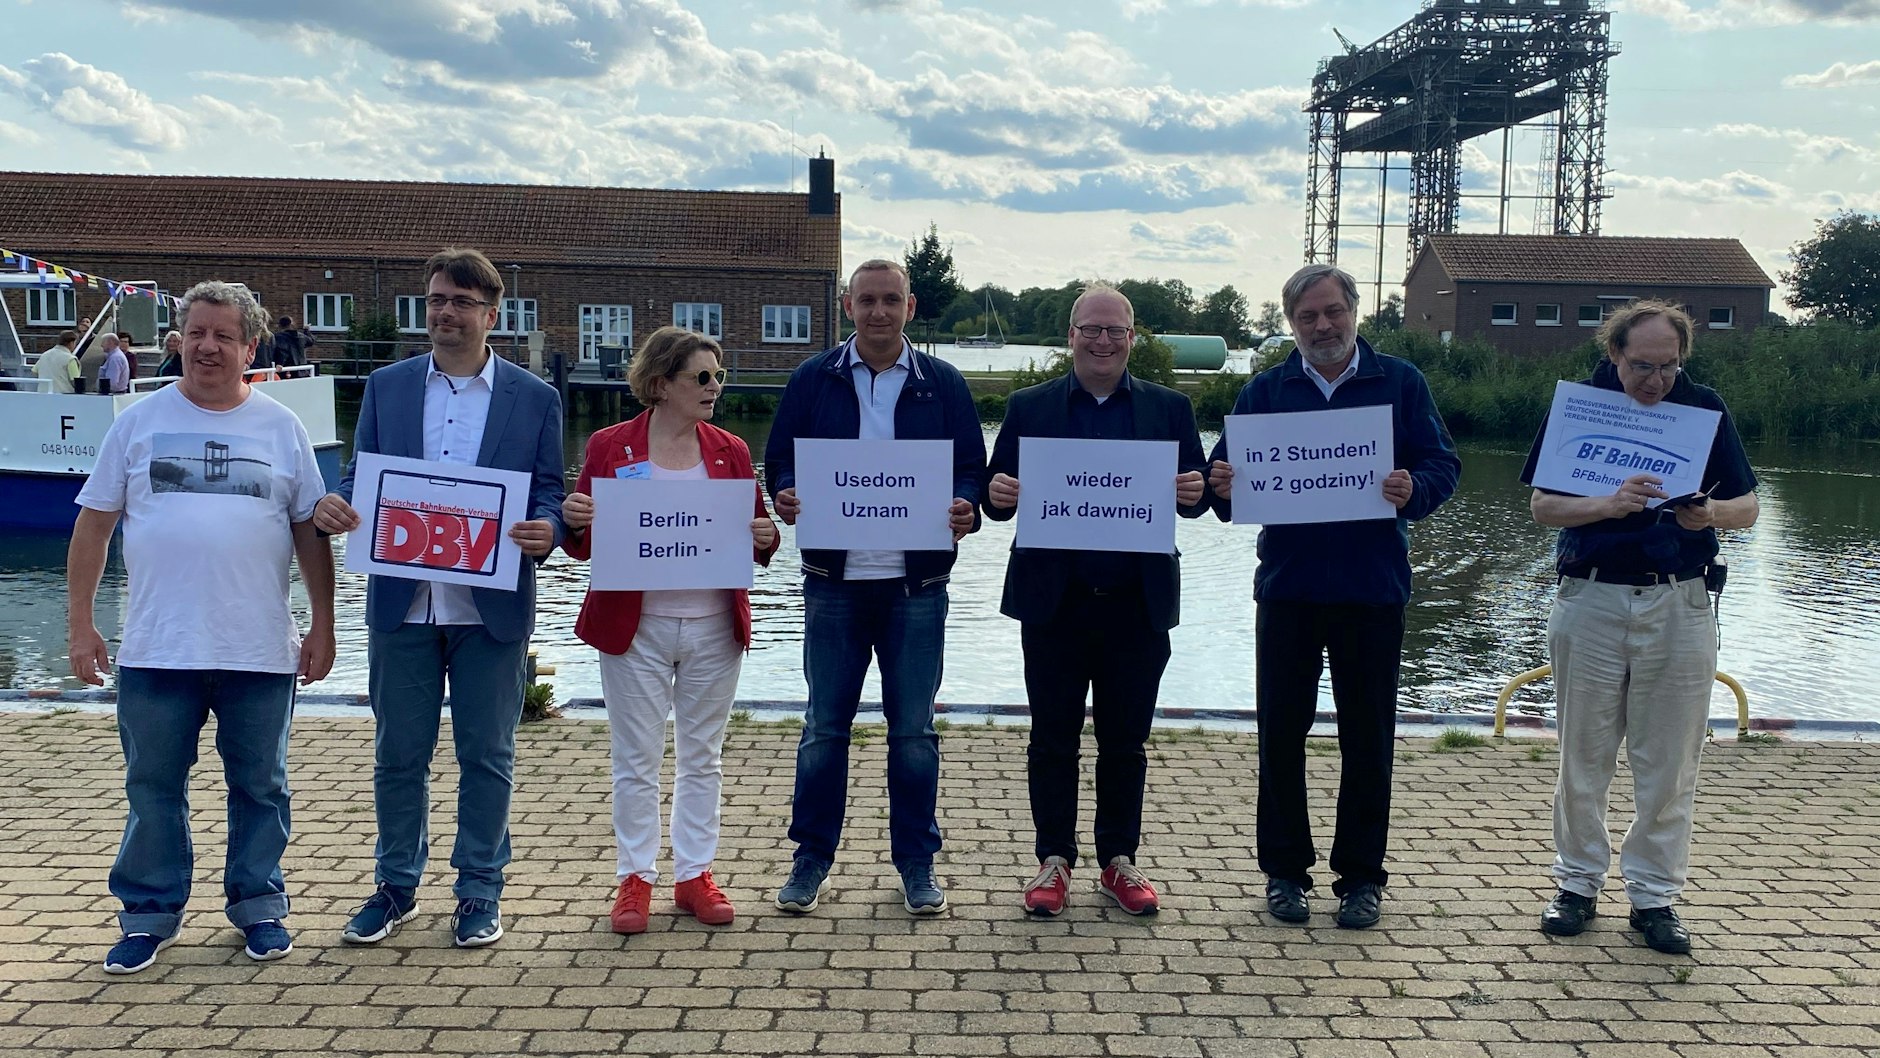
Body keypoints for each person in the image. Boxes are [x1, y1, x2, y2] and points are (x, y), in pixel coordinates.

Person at [66, 280, 336, 974]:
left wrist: (323, 625)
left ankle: (259, 906)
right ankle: (149, 915)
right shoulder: (137, 421)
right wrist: (81, 626)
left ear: (251, 347)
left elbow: (309, 532)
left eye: (223, 336)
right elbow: (94, 526)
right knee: (152, 786)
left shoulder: (282, 426)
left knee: (262, 787)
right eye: (196, 333)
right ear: (177, 340)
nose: (207, 347)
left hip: (258, 647)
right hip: (159, 646)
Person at [311, 248, 565, 949]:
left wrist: (550, 526)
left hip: (492, 608)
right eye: (435, 301)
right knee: (399, 755)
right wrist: (341, 504)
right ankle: (396, 886)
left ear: (492, 315)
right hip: (404, 602)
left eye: (460, 302)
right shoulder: (388, 387)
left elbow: (549, 486)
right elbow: (366, 475)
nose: (445, 313)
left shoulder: (534, 398)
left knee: (488, 754)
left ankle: (480, 889)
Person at [1206, 263, 1459, 930]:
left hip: (1371, 589)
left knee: (1368, 740)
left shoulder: (1400, 383)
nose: (1322, 326)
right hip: (1287, 589)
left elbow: (1443, 465)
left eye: (1332, 312)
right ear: (1291, 324)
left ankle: (1361, 879)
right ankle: (1285, 873)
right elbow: (1222, 489)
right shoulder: (1265, 391)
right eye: (1307, 317)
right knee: (1279, 737)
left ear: (1355, 312)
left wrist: (1416, 488)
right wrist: (1221, 485)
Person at [1522, 300, 1759, 956]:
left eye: (1667, 366)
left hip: (1679, 602)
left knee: (1670, 760)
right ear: (1614, 356)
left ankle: (1653, 898)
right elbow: (1543, 507)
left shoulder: (1703, 407)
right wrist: (1610, 503)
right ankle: (1576, 885)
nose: (1655, 381)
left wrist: (1709, 513)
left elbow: (1750, 506)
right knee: (1583, 754)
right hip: (1590, 598)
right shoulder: (1582, 406)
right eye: (1642, 366)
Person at [763, 258, 986, 916]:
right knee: (823, 729)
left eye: (891, 299)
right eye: (867, 300)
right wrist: (785, 494)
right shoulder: (813, 378)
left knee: (913, 732)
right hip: (834, 582)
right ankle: (811, 859)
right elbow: (780, 459)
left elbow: (970, 467)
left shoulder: (942, 383)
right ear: (846, 304)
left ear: (911, 307)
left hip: (916, 584)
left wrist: (965, 505)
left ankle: (916, 863)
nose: (879, 311)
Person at [981, 284, 1208, 917]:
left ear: (1133, 338)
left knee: (1125, 740)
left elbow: (1199, 500)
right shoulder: (1029, 407)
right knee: (1051, 738)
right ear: (1070, 335)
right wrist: (997, 493)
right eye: (1091, 329)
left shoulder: (1170, 410)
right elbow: (996, 499)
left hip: (1136, 604)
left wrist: (1192, 490)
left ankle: (1118, 860)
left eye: (1115, 331)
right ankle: (1053, 862)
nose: (1102, 341)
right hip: (1055, 604)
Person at [560, 327, 780, 934]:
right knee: (635, 757)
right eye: (701, 377)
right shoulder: (610, 446)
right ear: (661, 385)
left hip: (713, 625)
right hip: (636, 627)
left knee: (702, 756)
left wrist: (765, 538)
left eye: (719, 377)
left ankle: (694, 874)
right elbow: (580, 540)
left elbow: (756, 532)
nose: (715, 387)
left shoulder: (732, 450)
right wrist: (574, 517)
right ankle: (635, 878)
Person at [35, 329, 82, 393]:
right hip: (63, 396)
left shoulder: (44, 355)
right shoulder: (70, 359)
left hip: (43, 394)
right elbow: (76, 381)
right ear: (71, 343)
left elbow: (35, 371)